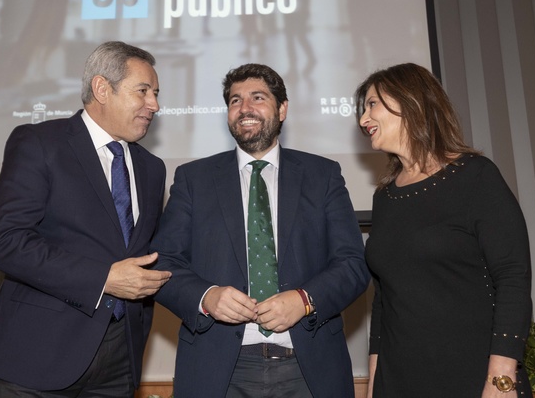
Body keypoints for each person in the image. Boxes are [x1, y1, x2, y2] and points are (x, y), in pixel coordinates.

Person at [150, 63, 370, 397]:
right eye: (235, 101)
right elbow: (164, 264)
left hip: (308, 365)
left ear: (282, 109)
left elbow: (352, 263)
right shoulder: (194, 180)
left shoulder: (321, 176)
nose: (245, 108)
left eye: (257, 97)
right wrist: (207, 297)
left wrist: (305, 300)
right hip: (220, 369)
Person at [0, 41, 172, 397]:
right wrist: (104, 278)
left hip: (119, 362)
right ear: (101, 89)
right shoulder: (39, 142)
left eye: (156, 94)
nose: (154, 105)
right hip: (36, 357)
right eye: (143, 91)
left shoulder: (152, 169)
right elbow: (7, 243)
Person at [354, 63, 533, 398]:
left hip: (474, 374)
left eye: (372, 104)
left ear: (410, 102)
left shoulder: (474, 176)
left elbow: (512, 275)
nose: (364, 119)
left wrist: (501, 378)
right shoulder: (385, 198)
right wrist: (375, 382)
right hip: (400, 380)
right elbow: (383, 301)